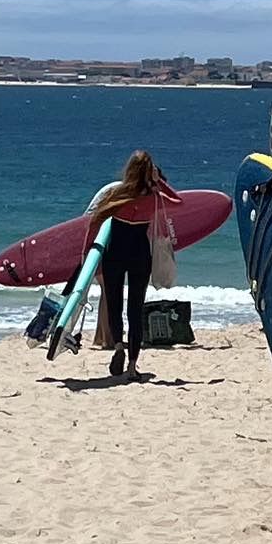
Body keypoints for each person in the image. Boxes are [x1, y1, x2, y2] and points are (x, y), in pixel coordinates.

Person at [87, 151, 182, 380]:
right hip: (140, 255)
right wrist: (160, 183)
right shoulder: (154, 198)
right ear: (150, 171)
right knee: (135, 310)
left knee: (115, 304)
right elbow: (179, 203)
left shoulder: (116, 194)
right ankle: (131, 366)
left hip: (115, 254)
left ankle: (119, 346)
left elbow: (94, 223)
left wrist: (89, 255)